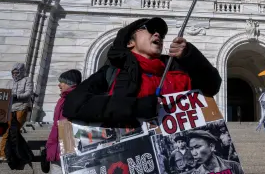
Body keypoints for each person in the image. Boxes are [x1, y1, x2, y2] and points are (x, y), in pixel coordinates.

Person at [63, 17, 221, 127]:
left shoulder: (175, 68)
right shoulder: (112, 72)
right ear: (130, 42)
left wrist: (190, 56)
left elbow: (212, 86)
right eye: (150, 29)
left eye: (161, 33)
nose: (158, 34)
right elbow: (73, 104)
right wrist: (137, 107)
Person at [45, 69, 82, 174]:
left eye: (62, 82)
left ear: (70, 83)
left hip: (66, 145)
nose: (59, 85)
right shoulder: (64, 98)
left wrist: (63, 151)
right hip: (59, 143)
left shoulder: (74, 97)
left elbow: (66, 126)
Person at [0, 63, 33, 160]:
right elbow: (5, 95)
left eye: (17, 72)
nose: (15, 74)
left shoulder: (27, 80)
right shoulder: (9, 82)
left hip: (22, 107)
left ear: (21, 72)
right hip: (10, 108)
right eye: (13, 73)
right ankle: (3, 153)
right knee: (8, 130)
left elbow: (28, 93)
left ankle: (14, 152)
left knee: (14, 129)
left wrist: (16, 96)